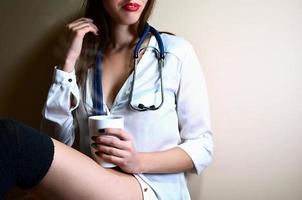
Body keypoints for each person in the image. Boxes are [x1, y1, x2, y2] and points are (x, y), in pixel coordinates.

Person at [40, 0, 213, 199]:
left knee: (13, 139)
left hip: (152, 190)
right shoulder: (84, 57)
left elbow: (202, 147)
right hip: (93, 186)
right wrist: (68, 63)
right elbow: (56, 145)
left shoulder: (176, 53)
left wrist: (137, 161)